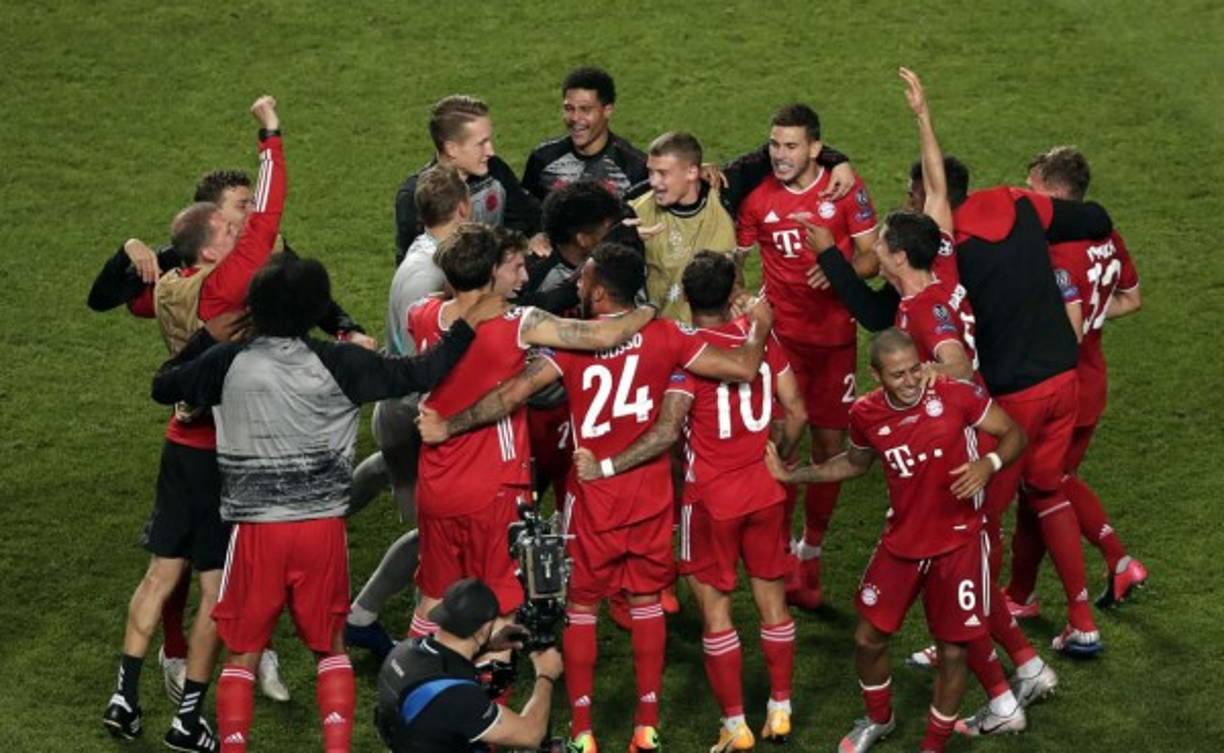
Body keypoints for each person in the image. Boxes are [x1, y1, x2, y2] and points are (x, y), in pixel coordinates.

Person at [417, 243, 775, 753]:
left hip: (592, 499)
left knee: (582, 607)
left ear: (600, 290)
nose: (578, 287)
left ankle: (583, 731)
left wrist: (449, 425)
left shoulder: (572, 344)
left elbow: (511, 395)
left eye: (583, 280)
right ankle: (645, 727)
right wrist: (760, 324)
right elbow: (741, 369)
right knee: (647, 601)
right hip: (650, 497)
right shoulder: (665, 334)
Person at [149, 254, 505, 753]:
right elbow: (423, 370)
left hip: (256, 533)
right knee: (329, 647)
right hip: (321, 532)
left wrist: (210, 334)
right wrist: (467, 326)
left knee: (244, 651)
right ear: (317, 307)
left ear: (255, 306)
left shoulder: (226, 361)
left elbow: (163, 385)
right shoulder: (343, 363)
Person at [815, 86, 1116, 659]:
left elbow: (951, 358)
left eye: (881, 239)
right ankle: (1073, 622)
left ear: (899, 255)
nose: (876, 241)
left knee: (977, 526)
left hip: (988, 412)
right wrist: (924, 118)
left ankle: (972, 635)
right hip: (1056, 380)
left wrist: (925, 373)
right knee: (1047, 492)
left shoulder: (922, 308)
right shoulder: (946, 258)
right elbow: (935, 186)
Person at [102, 95, 289, 752]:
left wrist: (131, 247)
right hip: (220, 448)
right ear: (210, 242)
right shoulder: (223, 285)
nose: (237, 235)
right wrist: (272, 134)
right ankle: (188, 717)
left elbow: (123, 290)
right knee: (216, 587)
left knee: (160, 573)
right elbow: (267, 216)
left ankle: (123, 695)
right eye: (226, 230)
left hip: (177, 442)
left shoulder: (174, 286)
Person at [571, 251, 807, 750]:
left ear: (687, 296)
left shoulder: (686, 351)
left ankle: (735, 724)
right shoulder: (764, 342)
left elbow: (668, 428)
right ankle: (781, 709)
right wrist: (777, 456)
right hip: (766, 491)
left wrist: (610, 466)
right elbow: (798, 413)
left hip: (711, 498)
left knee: (717, 613)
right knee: (772, 604)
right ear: (731, 293)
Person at [765, 328, 1027, 753]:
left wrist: (988, 463)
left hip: (959, 542)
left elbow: (1014, 433)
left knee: (954, 650)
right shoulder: (866, 414)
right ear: (876, 375)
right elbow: (855, 462)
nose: (909, 382)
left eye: (913, 371)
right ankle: (878, 718)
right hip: (903, 540)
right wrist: (794, 474)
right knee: (867, 638)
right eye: (897, 375)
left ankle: (933, 744)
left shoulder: (955, 396)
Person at [402, 226, 659, 645]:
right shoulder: (520, 323)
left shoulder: (421, 315)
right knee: (503, 601)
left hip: (435, 481)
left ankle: (416, 680)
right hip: (493, 484)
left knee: (433, 596)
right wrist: (650, 308)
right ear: (490, 274)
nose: (524, 278)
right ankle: (494, 705)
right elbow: (605, 335)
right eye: (516, 267)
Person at [735, 102, 881, 610]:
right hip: (784, 344)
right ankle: (776, 549)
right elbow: (737, 262)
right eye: (775, 145)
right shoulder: (757, 201)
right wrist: (744, 302)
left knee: (829, 445)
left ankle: (811, 552)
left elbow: (872, 256)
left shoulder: (846, 191)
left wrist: (839, 267)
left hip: (836, 342)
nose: (780, 155)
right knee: (782, 442)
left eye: (791, 145)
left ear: (816, 148)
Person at [1006, 146, 1146, 612]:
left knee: (1049, 482)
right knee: (1037, 492)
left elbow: (1065, 326)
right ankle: (1020, 595)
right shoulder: (1106, 235)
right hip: (1093, 380)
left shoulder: (1055, 249)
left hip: (1059, 386)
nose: (1026, 199)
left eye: (1032, 190)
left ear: (1055, 194)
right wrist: (1092, 321)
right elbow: (1132, 299)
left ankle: (1118, 558)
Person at [344, 163, 473, 659]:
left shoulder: (428, 255)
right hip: (413, 412)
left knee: (391, 470)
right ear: (462, 207)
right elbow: (429, 361)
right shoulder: (427, 275)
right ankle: (364, 614)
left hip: (399, 413)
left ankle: (327, 509)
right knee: (435, 535)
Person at [375, 579, 564, 753]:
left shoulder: (404, 651)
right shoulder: (457, 696)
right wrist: (545, 676)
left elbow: (442, 671)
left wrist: (489, 645)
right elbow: (531, 735)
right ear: (484, 628)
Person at [394, 95, 540, 265]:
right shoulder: (415, 194)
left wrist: (536, 236)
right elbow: (412, 263)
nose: (490, 151)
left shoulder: (494, 169)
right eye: (481, 143)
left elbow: (528, 216)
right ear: (452, 148)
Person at [629, 132, 739, 322]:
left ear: (691, 172)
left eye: (663, 173)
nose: (653, 182)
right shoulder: (635, 212)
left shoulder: (725, 195)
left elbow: (764, 159)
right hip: (664, 338)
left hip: (717, 337)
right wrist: (624, 236)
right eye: (651, 172)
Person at [522, 66, 647, 201]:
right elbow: (526, 215)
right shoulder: (543, 158)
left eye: (585, 109)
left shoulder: (635, 167)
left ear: (607, 110)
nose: (575, 118)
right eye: (569, 109)